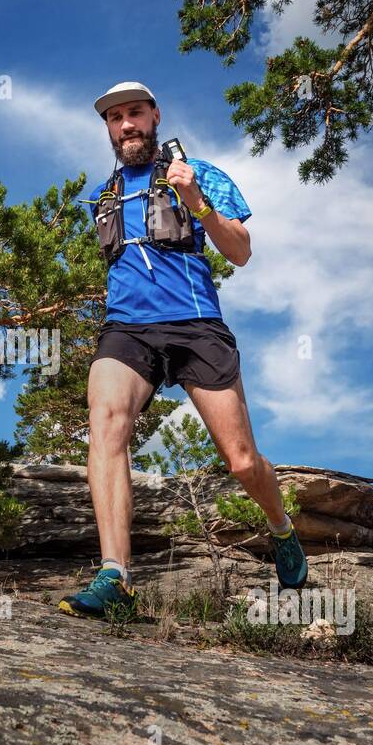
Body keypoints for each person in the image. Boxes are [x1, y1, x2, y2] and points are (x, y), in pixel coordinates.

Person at [58, 81, 308, 620]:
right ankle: (115, 576)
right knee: (105, 421)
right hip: (127, 329)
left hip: (196, 326)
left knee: (242, 462)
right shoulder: (105, 194)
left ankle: (282, 530)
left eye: (135, 114)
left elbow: (240, 252)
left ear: (155, 116)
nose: (126, 125)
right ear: (108, 129)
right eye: (115, 118)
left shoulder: (199, 174)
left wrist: (196, 200)